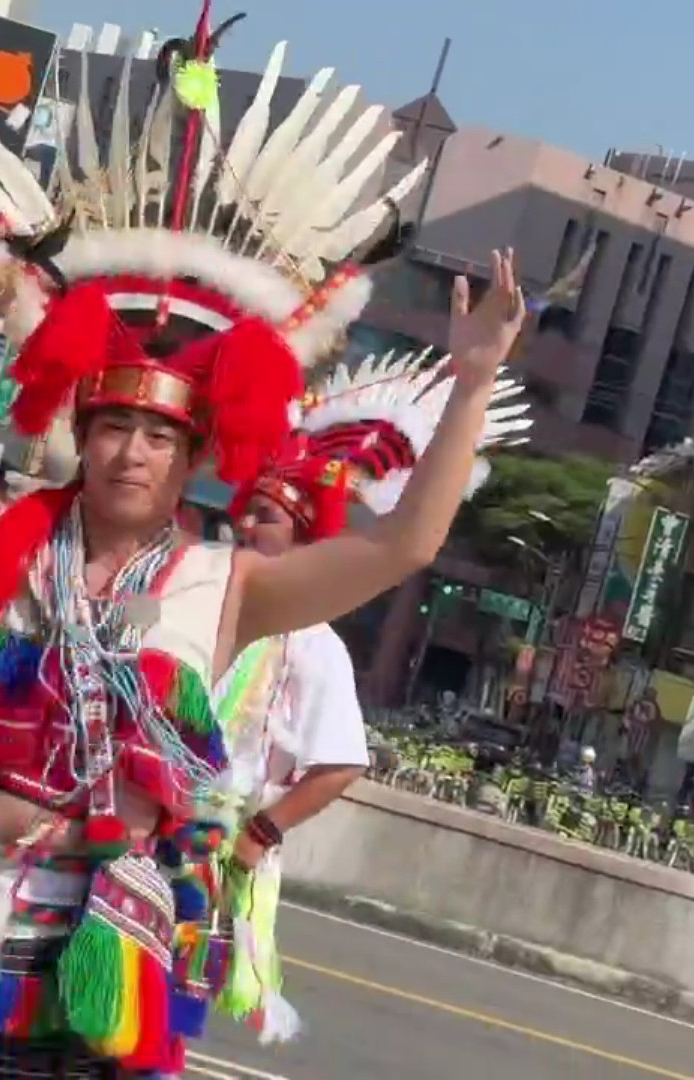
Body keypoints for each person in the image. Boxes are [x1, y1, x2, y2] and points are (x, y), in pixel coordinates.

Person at [0, 9, 527, 1077]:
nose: (131, 452)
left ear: (194, 461)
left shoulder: (227, 586)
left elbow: (405, 545)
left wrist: (474, 381)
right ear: (81, 434)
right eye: (114, 428)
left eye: (159, 438)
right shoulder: (0, 535)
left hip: (92, 954)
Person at [206, 347, 531, 1040]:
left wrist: (260, 834)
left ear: (304, 537)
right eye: (245, 513)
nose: (245, 527)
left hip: (216, 843)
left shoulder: (313, 641)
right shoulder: (199, 595)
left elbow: (342, 762)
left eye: (265, 517)